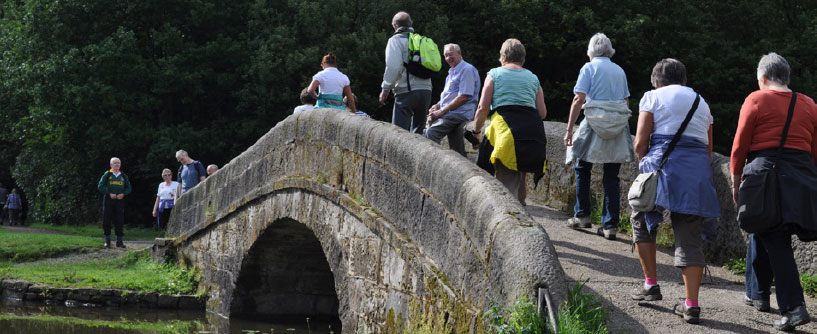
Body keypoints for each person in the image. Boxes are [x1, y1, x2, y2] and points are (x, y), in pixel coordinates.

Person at [629, 58, 719, 325]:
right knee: (689, 234)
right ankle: (691, 305)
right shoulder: (701, 102)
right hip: (696, 173)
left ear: (657, 81)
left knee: (641, 216)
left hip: (662, 167)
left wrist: (644, 168)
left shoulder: (652, 97)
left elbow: (640, 142)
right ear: (684, 80)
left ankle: (651, 284)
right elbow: (708, 149)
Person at [732, 53, 816, 332]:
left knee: (774, 236)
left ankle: (793, 308)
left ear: (763, 78)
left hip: (765, 174)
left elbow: (740, 145)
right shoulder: (809, 104)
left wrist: (735, 180)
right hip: (801, 176)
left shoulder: (756, 100)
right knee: (764, 227)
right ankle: (757, 293)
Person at [563, 33, 635, 240]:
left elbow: (579, 99)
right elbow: (625, 101)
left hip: (594, 121)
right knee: (611, 175)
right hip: (617, 124)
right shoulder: (619, 70)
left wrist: (569, 130)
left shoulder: (589, 68)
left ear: (590, 50)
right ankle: (610, 225)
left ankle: (582, 215)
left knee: (582, 166)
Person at [473, 38, 547, 205]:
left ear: (503, 56)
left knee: (505, 194)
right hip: (532, 134)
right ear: (522, 57)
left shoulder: (494, 74)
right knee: (520, 185)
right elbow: (542, 113)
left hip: (507, 133)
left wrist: (476, 131)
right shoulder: (533, 78)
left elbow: (483, 108)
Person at [379, 11, 432, 134]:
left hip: (406, 91)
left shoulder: (395, 41)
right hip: (426, 90)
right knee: (418, 133)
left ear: (394, 26)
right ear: (411, 24)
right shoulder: (422, 40)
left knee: (399, 133)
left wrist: (385, 89)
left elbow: (394, 67)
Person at [423, 44, 481, 157]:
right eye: (445, 56)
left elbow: (463, 97)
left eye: (450, 54)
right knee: (456, 151)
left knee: (431, 132)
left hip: (460, 113)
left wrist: (442, 111)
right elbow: (450, 95)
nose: (448, 58)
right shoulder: (452, 72)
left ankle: (434, 164)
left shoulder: (467, 70)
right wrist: (437, 105)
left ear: (459, 53)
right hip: (451, 113)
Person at [97, 157, 131, 248]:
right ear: (111, 165)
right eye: (115, 163)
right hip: (109, 199)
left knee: (119, 220)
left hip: (119, 201)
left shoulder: (123, 176)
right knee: (106, 219)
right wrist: (109, 193)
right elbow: (100, 186)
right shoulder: (107, 174)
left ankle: (119, 241)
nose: (117, 165)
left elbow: (129, 188)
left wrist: (123, 194)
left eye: (118, 163)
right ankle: (107, 240)